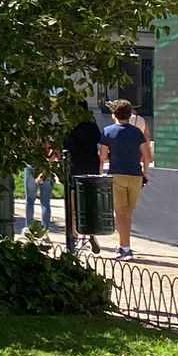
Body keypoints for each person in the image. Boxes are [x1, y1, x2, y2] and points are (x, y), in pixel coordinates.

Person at [99, 100, 152, 260]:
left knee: (120, 213)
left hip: (117, 174)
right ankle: (124, 246)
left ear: (113, 114)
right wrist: (145, 174)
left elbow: (102, 157)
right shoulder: (137, 132)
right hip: (135, 175)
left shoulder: (108, 131)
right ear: (130, 114)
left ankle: (126, 248)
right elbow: (147, 156)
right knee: (128, 214)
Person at [61, 109, 104, 254]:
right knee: (89, 201)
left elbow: (64, 145)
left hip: (74, 166)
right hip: (91, 165)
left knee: (73, 201)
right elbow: (98, 139)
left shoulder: (68, 124)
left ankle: (74, 234)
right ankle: (89, 233)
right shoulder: (91, 124)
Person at [24, 143, 57, 237]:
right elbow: (55, 152)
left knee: (30, 200)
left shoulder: (31, 138)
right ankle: (44, 230)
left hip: (32, 165)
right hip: (47, 167)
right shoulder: (51, 138)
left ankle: (29, 228)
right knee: (45, 202)